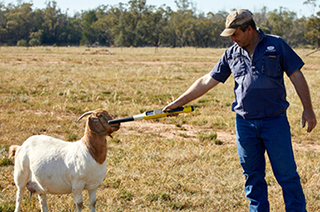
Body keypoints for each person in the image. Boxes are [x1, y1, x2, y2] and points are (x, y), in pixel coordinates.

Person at [163, 9, 317, 212]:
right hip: (245, 124)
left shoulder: (276, 45)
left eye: (235, 34)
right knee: (252, 177)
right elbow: (208, 80)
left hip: (274, 122)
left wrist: (308, 109)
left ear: (249, 29)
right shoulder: (232, 53)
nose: (232, 39)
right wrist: (177, 102)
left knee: (287, 175)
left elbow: (296, 76)